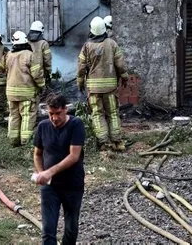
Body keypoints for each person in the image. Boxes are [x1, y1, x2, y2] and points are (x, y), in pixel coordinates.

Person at [33, 93, 86, 245]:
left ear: (65, 110)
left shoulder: (76, 125)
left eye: (58, 113)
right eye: (51, 114)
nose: (54, 118)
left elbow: (74, 156)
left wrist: (49, 172)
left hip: (72, 185)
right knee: (48, 230)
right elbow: (37, 154)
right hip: (50, 187)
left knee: (71, 227)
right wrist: (41, 173)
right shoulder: (43, 126)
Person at [77, 17, 129, 152]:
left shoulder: (87, 47)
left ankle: (104, 143)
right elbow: (120, 64)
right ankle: (118, 142)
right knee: (112, 113)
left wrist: (80, 82)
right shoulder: (112, 44)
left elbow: (81, 67)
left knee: (97, 114)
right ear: (105, 29)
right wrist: (124, 77)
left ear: (91, 30)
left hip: (94, 89)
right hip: (110, 88)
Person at [0, 30, 46, 147]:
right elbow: (37, 74)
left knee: (13, 116)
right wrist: (42, 86)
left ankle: (13, 141)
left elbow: (0, 67)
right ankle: (25, 142)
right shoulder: (29, 55)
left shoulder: (8, 54)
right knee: (27, 116)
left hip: (10, 93)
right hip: (26, 93)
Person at [27, 21, 53, 92]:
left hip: (26, 73)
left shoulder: (26, 41)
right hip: (39, 74)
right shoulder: (44, 43)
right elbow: (47, 60)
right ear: (41, 31)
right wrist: (48, 73)